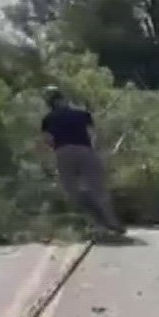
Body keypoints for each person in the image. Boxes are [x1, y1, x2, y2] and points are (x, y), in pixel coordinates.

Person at [39, 88, 125, 237]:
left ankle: (94, 222)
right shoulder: (82, 114)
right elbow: (93, 134)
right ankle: (111, 222)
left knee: (72, 190)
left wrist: (56, 151)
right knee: (98, 189)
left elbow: (47, 140)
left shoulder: (48, 118)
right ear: (63, 100)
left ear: (50, 103)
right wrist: (93, 150)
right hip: (85, 151)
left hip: (63, 152)